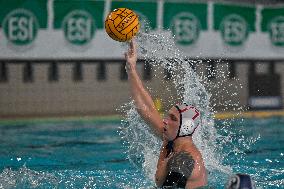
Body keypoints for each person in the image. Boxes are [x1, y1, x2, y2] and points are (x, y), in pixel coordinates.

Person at [125, 39, 207, 189]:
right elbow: (145, 108)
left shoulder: (184, 159)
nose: (165, 120)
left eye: (173, 119)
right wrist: (131, 69)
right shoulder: (171, 138)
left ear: (185, 128)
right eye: (168, 116)